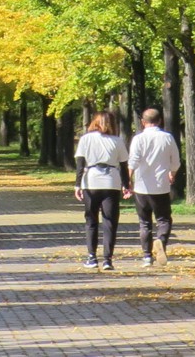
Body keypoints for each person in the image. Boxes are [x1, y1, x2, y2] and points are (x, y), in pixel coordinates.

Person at [72, 110, 129, 271]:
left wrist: (77, 184)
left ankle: (92, 257)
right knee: (110, 221)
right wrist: (126, 185)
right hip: (111, 181)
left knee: (91, 220)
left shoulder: (85, 139)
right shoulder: (117, 141)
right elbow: (124, 165)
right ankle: (108, 259)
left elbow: (80, 164)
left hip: (91, 181)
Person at [127, 107, 182, 267]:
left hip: (141, 187)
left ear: (143, 122)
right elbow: (176, 160)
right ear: (160, 121)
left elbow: (133, 161)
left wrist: (128, 180)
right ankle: (161, 241)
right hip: (161, 186)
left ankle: (146, 256)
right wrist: (172, 172)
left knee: (144, 222)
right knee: (164, 219)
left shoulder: (138, 139)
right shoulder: (167, 138)